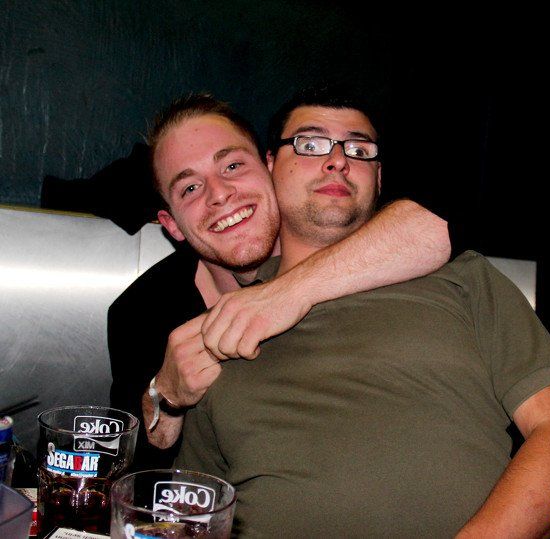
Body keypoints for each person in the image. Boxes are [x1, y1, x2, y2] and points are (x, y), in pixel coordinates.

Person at [174, 86, 550, 537]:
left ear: (379, 178)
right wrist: (160, 398)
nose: (338, 160)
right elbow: (185, 516)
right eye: (310, 144)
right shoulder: (223, 328)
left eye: (359, 150)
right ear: (269, 166)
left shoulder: (463, 278)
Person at [108, 94, 451, 469]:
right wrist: (166, 396)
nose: (219, 194)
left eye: (233, 166)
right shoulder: (140, 312)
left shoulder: (339, 240)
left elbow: (435, 225)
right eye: (190, 188)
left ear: (269, 168)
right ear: (172, 224)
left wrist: (286, 293)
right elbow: (129, 473)